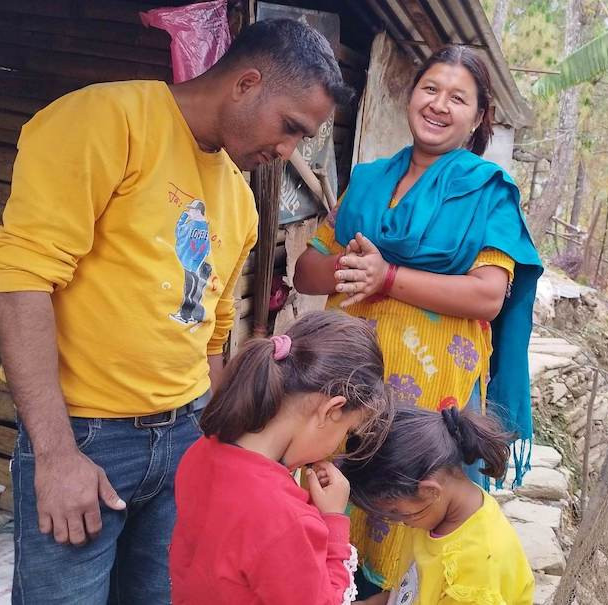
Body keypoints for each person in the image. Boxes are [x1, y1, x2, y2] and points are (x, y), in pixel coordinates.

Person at [0, 19, 352, 604]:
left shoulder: (238, 199)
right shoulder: (107, 121)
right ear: (247, 83)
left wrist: (223, 450)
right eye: (289, 128)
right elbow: (22, 282)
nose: (287, 152)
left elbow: (212, 336)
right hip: (86, 437)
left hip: (187, 437)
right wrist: (55, 455)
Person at [293, 44, 542, 592]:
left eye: (458, 98)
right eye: (430, 88)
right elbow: (306, 271)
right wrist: (353, 268)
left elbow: (487, 295)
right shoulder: (367, 181)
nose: (439, 105)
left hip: (432, 391)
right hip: (351, 380)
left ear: (478, 118)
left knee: (409, 503)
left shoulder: (487, 193)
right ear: (411, 95)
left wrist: (387, 277)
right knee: (332, 496)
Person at [170, 311, 391, 604]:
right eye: (347, 431)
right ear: (331, 410)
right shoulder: (286, 519)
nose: (336, 446)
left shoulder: (203, 450)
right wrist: (333, 521)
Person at [342, 405, 534, 605]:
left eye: (395, 512)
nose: (400, 522)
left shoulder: (476, 569)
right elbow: (412, 590)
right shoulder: (436, 508)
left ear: (429, 491)